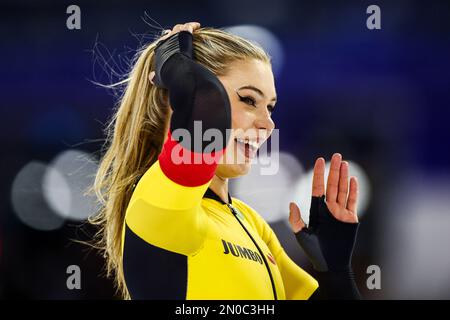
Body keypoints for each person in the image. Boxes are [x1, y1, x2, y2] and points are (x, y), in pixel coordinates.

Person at [90, 22, 361, 300]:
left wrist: (337, 273)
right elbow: (206, 118)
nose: (268, 124)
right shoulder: (158, 204)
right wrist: (176, 66)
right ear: (183, 98)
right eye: (248, 100)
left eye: (270, 107)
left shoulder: (251, 222)